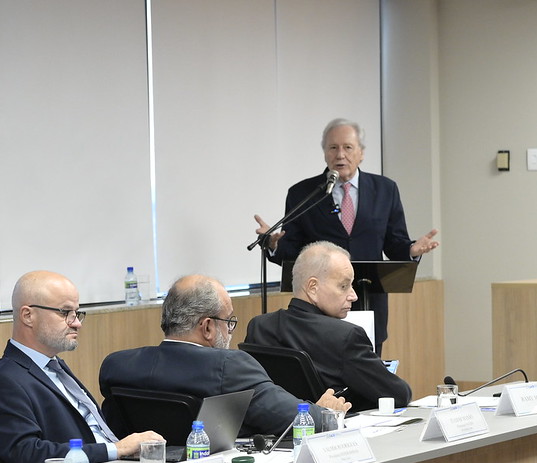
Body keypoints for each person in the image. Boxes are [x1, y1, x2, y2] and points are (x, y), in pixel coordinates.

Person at [255, 118, 439, 355]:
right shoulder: (303, 193)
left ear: (361, 153)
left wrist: (411, 250)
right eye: (333, 148)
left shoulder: (385, 189)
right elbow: (293, 253)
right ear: (325, 153)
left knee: (369, 379)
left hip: (368, 301)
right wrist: (272, 244)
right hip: (319, 308)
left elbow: (395, 244)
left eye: (348, 147)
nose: (340, 154)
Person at [99, 274, 351, 438]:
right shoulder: (229, 366)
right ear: (207, 327)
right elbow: (297, 421)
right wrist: (324, 412)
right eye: (228, 321)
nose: (231, 330)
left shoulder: (118, 365)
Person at [0, 271, 162, 463]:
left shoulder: (55, 367)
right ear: (28, 316)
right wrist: (116, 449)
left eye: (77, 313)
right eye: (65, 313)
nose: (77, 323)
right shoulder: (3, 382)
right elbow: (26, 455)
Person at [244, 241, 412, 412]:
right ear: (313, 287)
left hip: (274, 430)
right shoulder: (346, 336)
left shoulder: (258, 327)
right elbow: (399, 394)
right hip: (329, 432)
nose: (353, 296)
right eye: (343, 286)